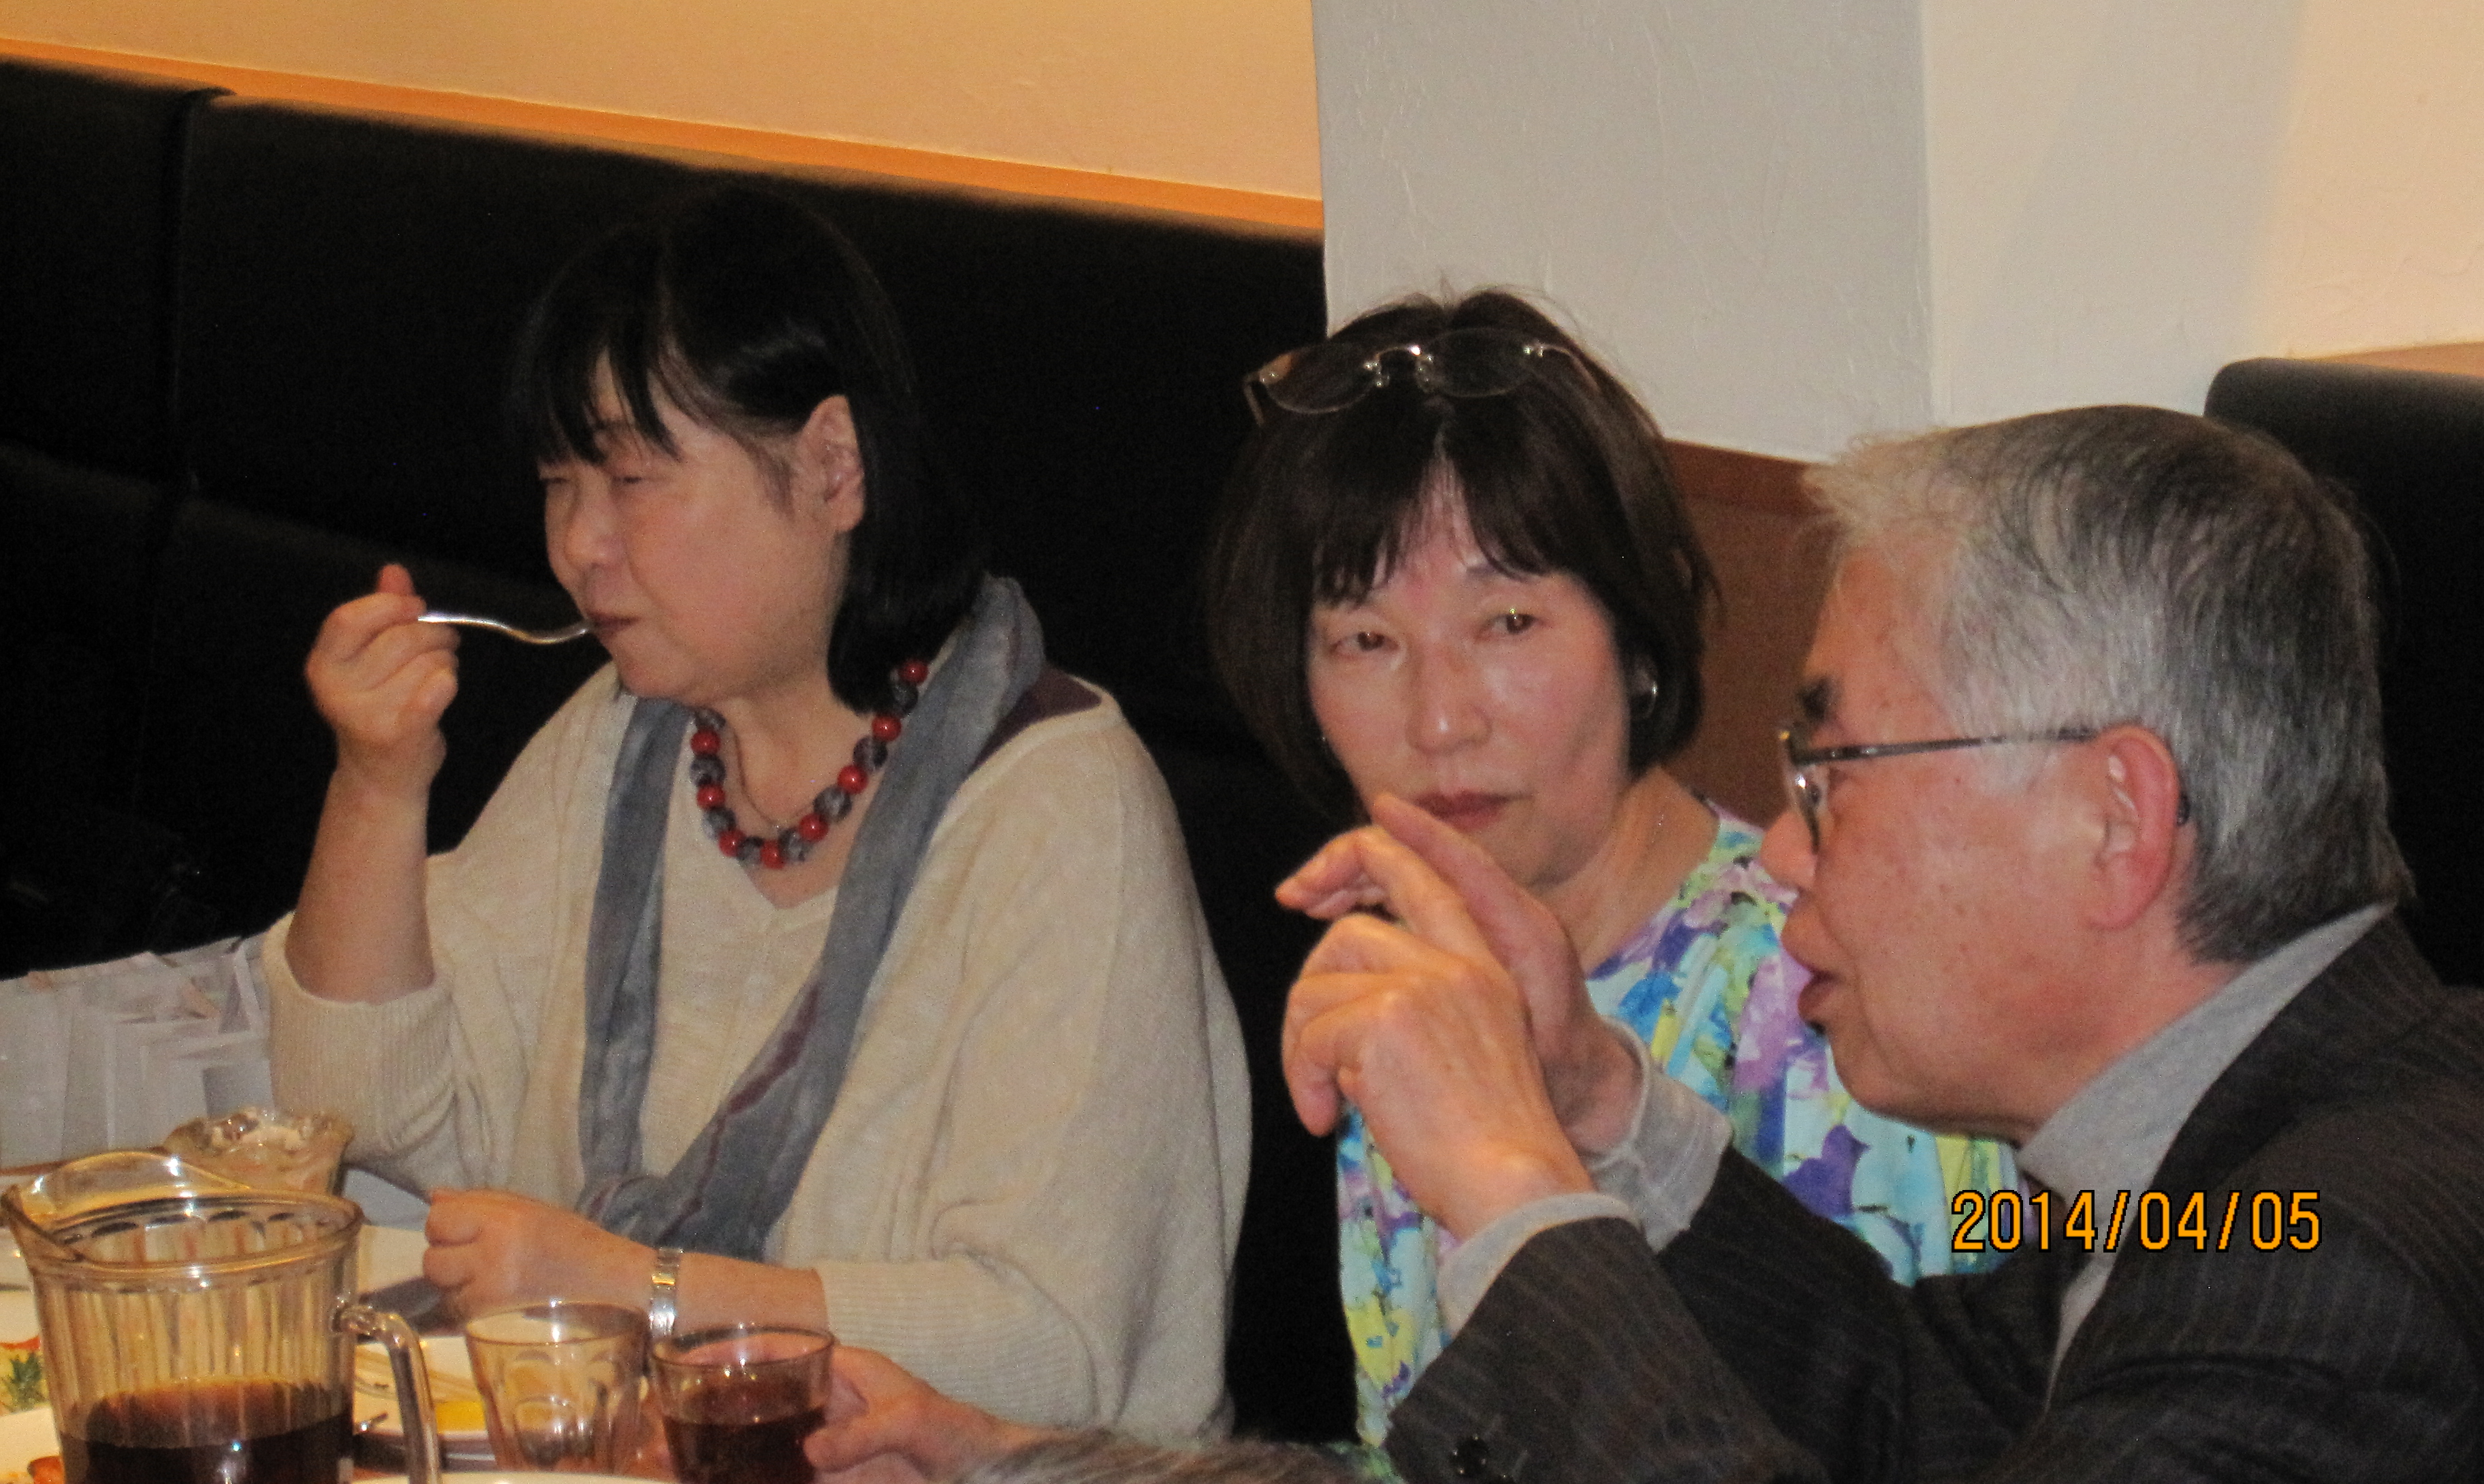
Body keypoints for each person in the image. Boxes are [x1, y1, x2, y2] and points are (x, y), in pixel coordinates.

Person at [1286, 404, 2484, 1482]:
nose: (1781, 853)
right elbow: (1925, 1412)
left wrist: (1513, 1196)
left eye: (1833, 774)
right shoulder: (2229, 1167)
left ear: (2113, 819)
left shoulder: (2327, 1297)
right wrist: (1596, 1107)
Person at [266, 185, 1248, 1437]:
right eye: (560, 483)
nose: (581, 545)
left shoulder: (1059, 812)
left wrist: (633, 1291)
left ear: (834, 466)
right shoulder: (627, 742)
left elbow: (1051, 1350)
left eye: (633, 478)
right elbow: (360, 1115)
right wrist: (376, 783)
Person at [1198, 291, 2011, 1443]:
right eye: (1367, 641)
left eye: (1508, 624)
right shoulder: (1405, 981)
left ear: (1634, 640)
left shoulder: (1822, 995)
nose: (1440, 721)